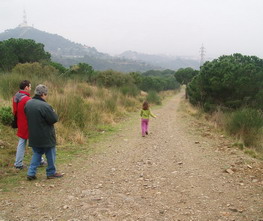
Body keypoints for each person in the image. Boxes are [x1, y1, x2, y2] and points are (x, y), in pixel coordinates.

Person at [25, 84, 63, 180]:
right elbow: (54, 119)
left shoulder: (28, 104)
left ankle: (31, 173)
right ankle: (51, 172)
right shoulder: (45, 106)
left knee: (37, 153)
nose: (46, 96)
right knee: (50, 153)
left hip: (33, 134)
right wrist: (53, 111)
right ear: (42, 94)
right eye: (46, 94)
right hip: (46, 135)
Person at [13, 80, 46, 169]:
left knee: (23, 142)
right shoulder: (27, 99)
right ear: (26, 87)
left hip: (20, 123)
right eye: (30, 87)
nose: (31, 89)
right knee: (33, 143)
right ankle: (20, 163)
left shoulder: (16, 96)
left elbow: (15, 111)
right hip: (28, 124)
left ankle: (19, 163)